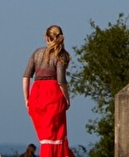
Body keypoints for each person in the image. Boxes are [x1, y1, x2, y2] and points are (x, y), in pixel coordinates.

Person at [23, 25, 74, 157]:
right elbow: (61, 81)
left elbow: (26, 77)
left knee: (46, 137)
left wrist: (27, 98)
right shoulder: (60, 55)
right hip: (53, 94)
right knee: (57, 135)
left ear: (46, 38)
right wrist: (67, 98)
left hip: (37, 95)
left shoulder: (37, 53)